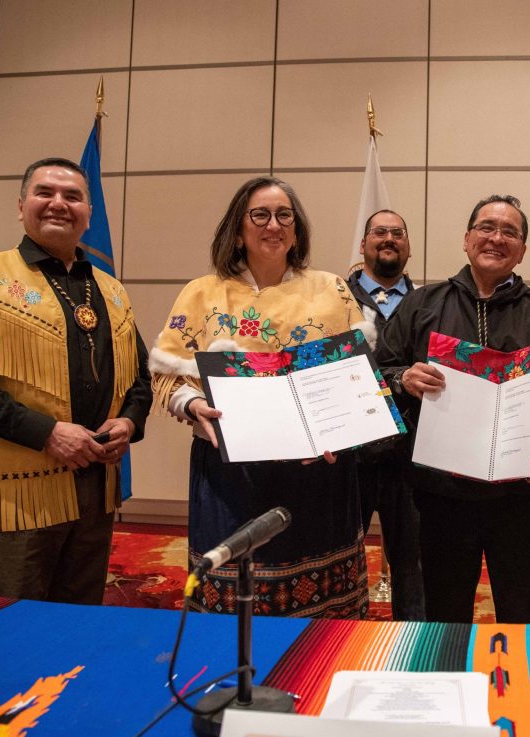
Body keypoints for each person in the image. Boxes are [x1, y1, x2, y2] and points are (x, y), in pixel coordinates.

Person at [149, 176, 374, 617]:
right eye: (260, 215)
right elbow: (167, 374)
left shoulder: (332, 288)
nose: (273, 225)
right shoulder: (202, 292)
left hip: (320, 470)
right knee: (232, 602)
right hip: (233, 474)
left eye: (284, 215)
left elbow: (357, 377)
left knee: (325, 615)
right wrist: (193, 405)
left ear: (297, 228)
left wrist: (343, 429)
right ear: (238, 230)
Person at [0, 157, 152, 604]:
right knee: (10, 623)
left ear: (89, 213)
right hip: (18, 495)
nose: (58, 204)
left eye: (73, 196)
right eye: (45, 192)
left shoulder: (112, 290)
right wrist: (47, 433)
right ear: (21, 206)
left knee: (80, 622)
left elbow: (139, 379)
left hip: (95, 491)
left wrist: (128, 423)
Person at [376, 194, 530, 624]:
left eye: (509, 232)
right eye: (487, 227)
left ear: (523, 249)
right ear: (467, 239)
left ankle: (522, 690)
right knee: (444, 614)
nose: (496, 238)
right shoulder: (422, 305)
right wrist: (403, 379)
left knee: (524, 614)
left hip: (523, 497)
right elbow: (379, 373)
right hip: (441, 496)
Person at [347, 209, 425, 620]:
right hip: (347, 456)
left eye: (398, 232)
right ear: (363, 245)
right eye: (379, 232)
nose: (389, 238)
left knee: (415, 568)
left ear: (408, 247)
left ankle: (417, 651)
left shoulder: (431, 304)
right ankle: (338, 645)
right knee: (340, 563)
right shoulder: (331, 300)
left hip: (410, 458)